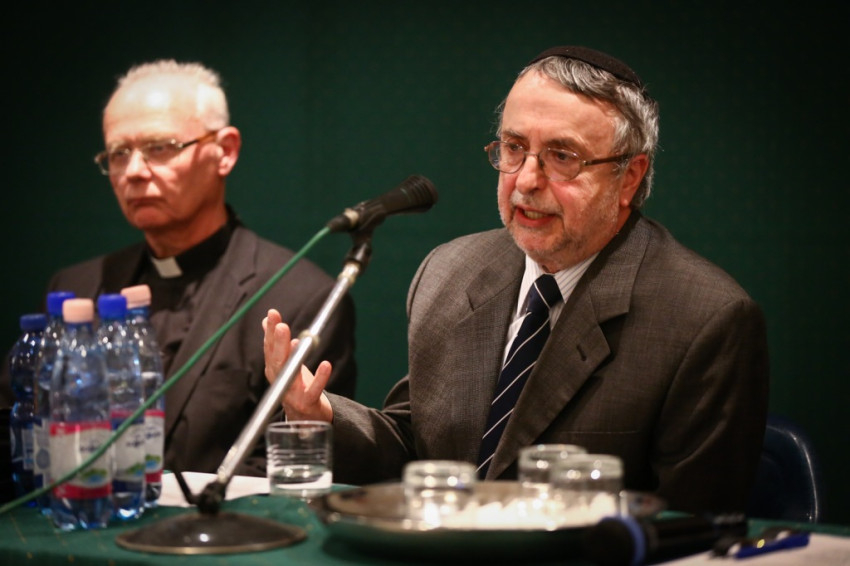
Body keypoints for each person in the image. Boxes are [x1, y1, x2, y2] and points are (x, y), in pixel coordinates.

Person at [263, 46, 769, 514]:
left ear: (629, 177)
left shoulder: (705, 320)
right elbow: (418, 450)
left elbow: (692, 528)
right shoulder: (449, 272)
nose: (526, 180)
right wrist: (321, 415)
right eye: (513, 148)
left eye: (562, 157)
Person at [0, 60, 357, 484]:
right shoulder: (76, 288)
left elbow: (288, 466)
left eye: (160, 147)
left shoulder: (300, 296)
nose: (134, 172)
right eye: (118, 153)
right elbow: (20, 431)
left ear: (225, 151)